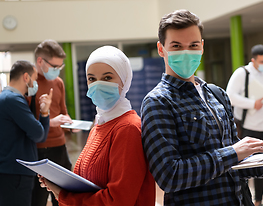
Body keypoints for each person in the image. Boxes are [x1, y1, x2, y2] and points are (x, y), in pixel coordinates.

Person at [141, 9, 263, 206]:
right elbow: (170, 176)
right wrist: (233, 152)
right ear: (161, 49)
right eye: (176, 46)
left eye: (193, 45)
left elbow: (235, 165)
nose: (186, 52)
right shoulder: (158, 102)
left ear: (202, 47)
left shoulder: (216, 94)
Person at [39, 46, 156, 206]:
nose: (98, 85)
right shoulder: (100, 124)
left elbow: (118, 201)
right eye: (92, 79)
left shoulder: (128, 128)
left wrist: (64, 196)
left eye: (107, 78)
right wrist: (58, 184)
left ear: (124, 80)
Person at [226, 44, 263, 206]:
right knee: (246, 166)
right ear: (253, 61)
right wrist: (252, 103)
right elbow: (229, 96)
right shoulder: (242, 73)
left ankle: (258, 201)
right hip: (247, 128)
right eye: (262, 61)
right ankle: (244, 197)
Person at [0, 60, 52, 206]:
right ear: (26, 77)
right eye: (34, 79)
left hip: (10, 171)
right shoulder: (13, 99)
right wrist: (44, 112)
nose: (35, 84)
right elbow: (39, 134)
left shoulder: (6, 97)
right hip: (15, 174)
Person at [31, 39, 74, 206]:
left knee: (64, 198)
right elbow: (25, 124)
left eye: (60, 67)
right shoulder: (29, 85)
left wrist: (70, 123)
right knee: (39, 199)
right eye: (54, 67)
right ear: (40, 61)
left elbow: (63, 111)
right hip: (39, 150)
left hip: (60, 148)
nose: (57, 71)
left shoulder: (58, 82)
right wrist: (50, 122)